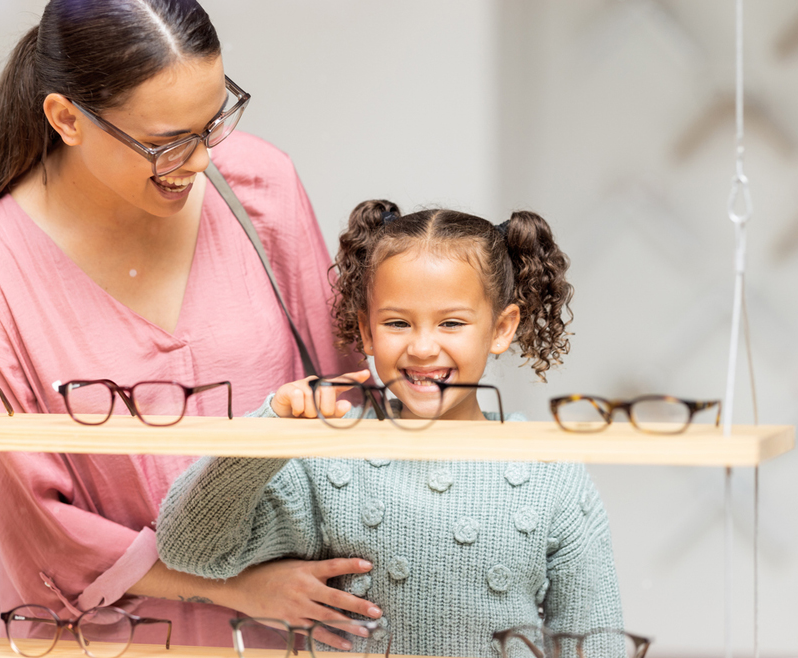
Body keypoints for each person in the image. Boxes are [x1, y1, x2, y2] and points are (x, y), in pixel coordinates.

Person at [0, 0, 377, 647]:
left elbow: (344, 394)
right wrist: (235, 587)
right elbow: (34, 524)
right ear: (65, 119)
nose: (199, 160)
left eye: (213, 120)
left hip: (291, 628)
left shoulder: (260, 186)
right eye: (166, 143)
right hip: (106, 638)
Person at [157, 201, 624, 657]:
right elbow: (189, 549)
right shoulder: (329, 457)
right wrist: (269, 433)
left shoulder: (550, 472)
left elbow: (596, 640)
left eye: (452, 322)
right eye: (398, 322)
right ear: (366, 332)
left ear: (501, 328)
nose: (422, 347)